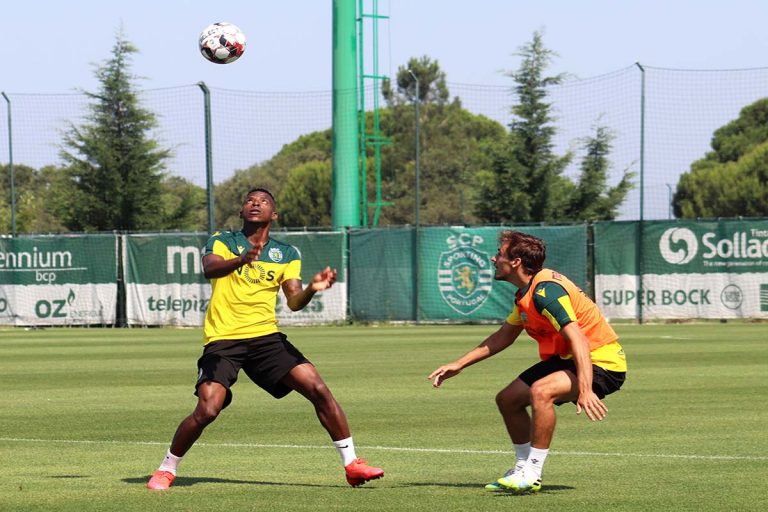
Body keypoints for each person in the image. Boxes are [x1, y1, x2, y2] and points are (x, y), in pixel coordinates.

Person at [147, 188, 383, 490]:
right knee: (208, 409)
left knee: (318, 388)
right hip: (223, 341)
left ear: (274, 215)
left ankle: (352, 465)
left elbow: (294, 301)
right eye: (249, 200)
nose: (255, 203)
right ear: (242, 212)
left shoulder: (286, 253)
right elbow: (210, 269)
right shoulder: (223, 240)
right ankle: (167, 468)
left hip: (266, 339)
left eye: (264, 201)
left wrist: (312, 288)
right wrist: (242, 259)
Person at [427, 230, 626, 494]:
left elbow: (578, 339)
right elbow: (503, 336)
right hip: (568, 360)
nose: (493, 258)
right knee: (508, 399)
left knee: (541, 392)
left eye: (499, 254)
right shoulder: (526, 293)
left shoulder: (546, 292)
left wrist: (586, 389)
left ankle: (533, 472)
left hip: (602, 362)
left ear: (516, 261)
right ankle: (522, 468)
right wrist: (459, 364)